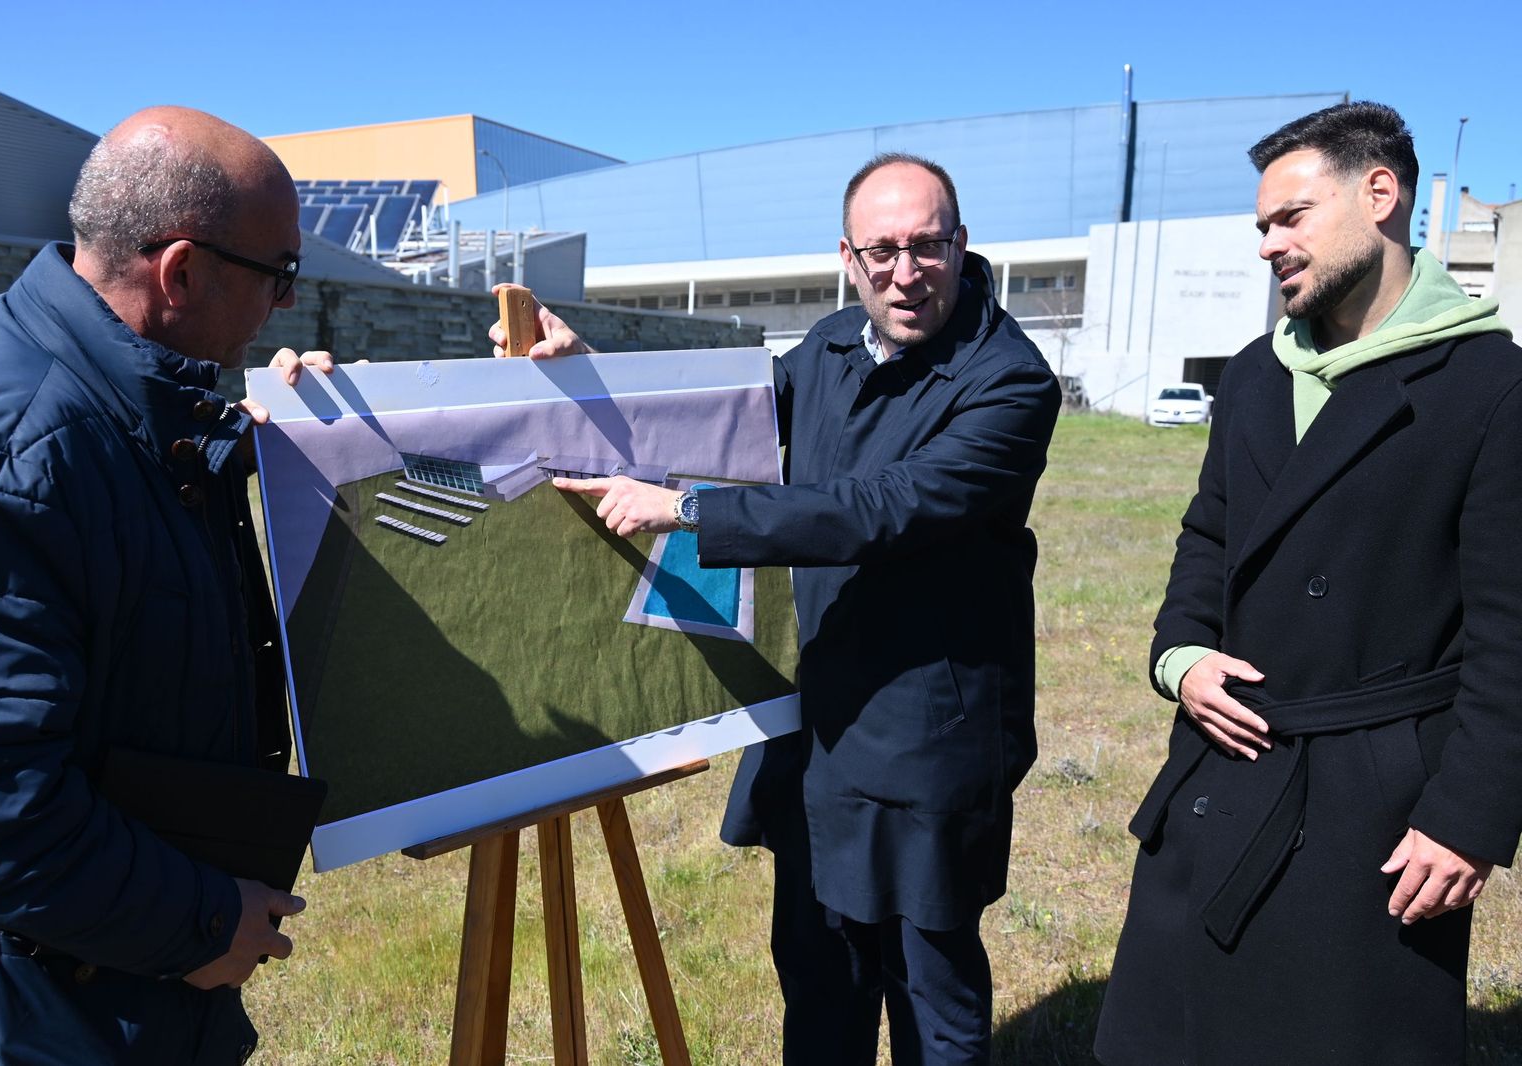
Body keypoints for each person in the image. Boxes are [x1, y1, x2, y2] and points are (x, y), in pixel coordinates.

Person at [491, 154, 1061, 1064]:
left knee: (930, 997)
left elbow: (881, 508)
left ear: (961, 245)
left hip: (929, 732)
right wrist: (592, 368)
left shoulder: (1008, 381)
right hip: (819, 716)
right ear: (847, 257)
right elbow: (728, 418)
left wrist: (691, 509)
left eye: (926, 247)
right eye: (881, 251)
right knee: (819, 979)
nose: (905, 273)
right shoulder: (833, 342)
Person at [1095, 101, 1519, 1065]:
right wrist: (1182, 657)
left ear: (1381, 194)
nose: (1268, 245)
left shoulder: (1491, 386)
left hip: (1374, 806)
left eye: (1291, 217)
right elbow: (1209, 537)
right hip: (1223, 762)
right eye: (1262, 226)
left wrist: (1467, 819)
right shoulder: (1255, 373)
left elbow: (1513, 635)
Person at [0, 106, 337, 1064]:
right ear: (180, 271)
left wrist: (275, 442)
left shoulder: (115, 405)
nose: (285, 305)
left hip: (106, 994)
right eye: (280, 273)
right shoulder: (1, 449)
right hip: (35, 1021)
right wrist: (199, 921)